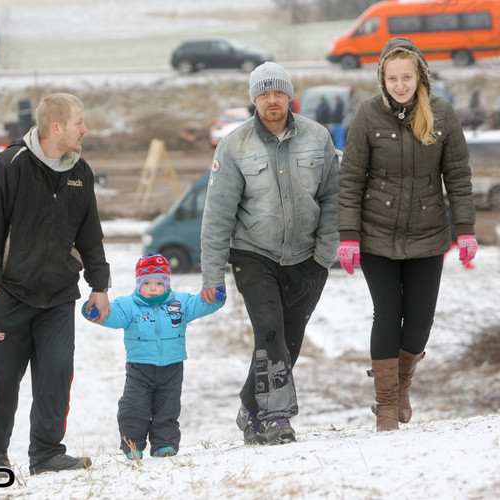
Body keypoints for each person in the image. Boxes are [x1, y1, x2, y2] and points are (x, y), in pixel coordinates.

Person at [337, 37, 477, 432]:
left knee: (419, 320)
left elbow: (459, 178)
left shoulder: (442, 115)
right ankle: (385, 405)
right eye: (393, 78)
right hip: (376, 235)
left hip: (428, 233)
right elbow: (350, 179)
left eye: (407, 77)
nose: (400, 85)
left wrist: (464, 230)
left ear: (420, 76)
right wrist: (348, 234)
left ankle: (401, 385)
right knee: (387, 313)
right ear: (383, 78)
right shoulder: (366, 115)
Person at [0, 92, 112, 475]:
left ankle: (47, 454)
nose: (86, 128)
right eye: (79, 122)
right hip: (10, 297)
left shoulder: (81, 172)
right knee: (0, 385)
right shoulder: (7, 166)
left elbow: (90, 234)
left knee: (56, 377)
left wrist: (100, 284)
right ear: (56, 127)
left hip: (59, 298)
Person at [200, 62, 339, 446]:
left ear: (289, 95)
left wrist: (325, 253)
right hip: (253, 255)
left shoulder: (317, 137)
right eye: (263, 93)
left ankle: (250, 407)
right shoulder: (233, 146)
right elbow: (217, 215)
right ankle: (277, 419)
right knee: (270, 331)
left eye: (278, 92)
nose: (272, 100)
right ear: (254, 99)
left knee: (287, 340)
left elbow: (333, 197)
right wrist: (212, 274)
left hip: (307, 256)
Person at [81, 253, 225, 459]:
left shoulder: (180, 303)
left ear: (167, 283)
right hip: (140, 369)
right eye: (147, 283)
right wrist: (96, 313)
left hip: (172, 368)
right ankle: (133, 445)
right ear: (138, 283)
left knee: (167, 409)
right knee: (134, 407)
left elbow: (200, 304)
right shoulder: (128, 306)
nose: (153, 287)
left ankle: (164, 445)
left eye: (159, 282)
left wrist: (216, 299)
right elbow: (113, 315)